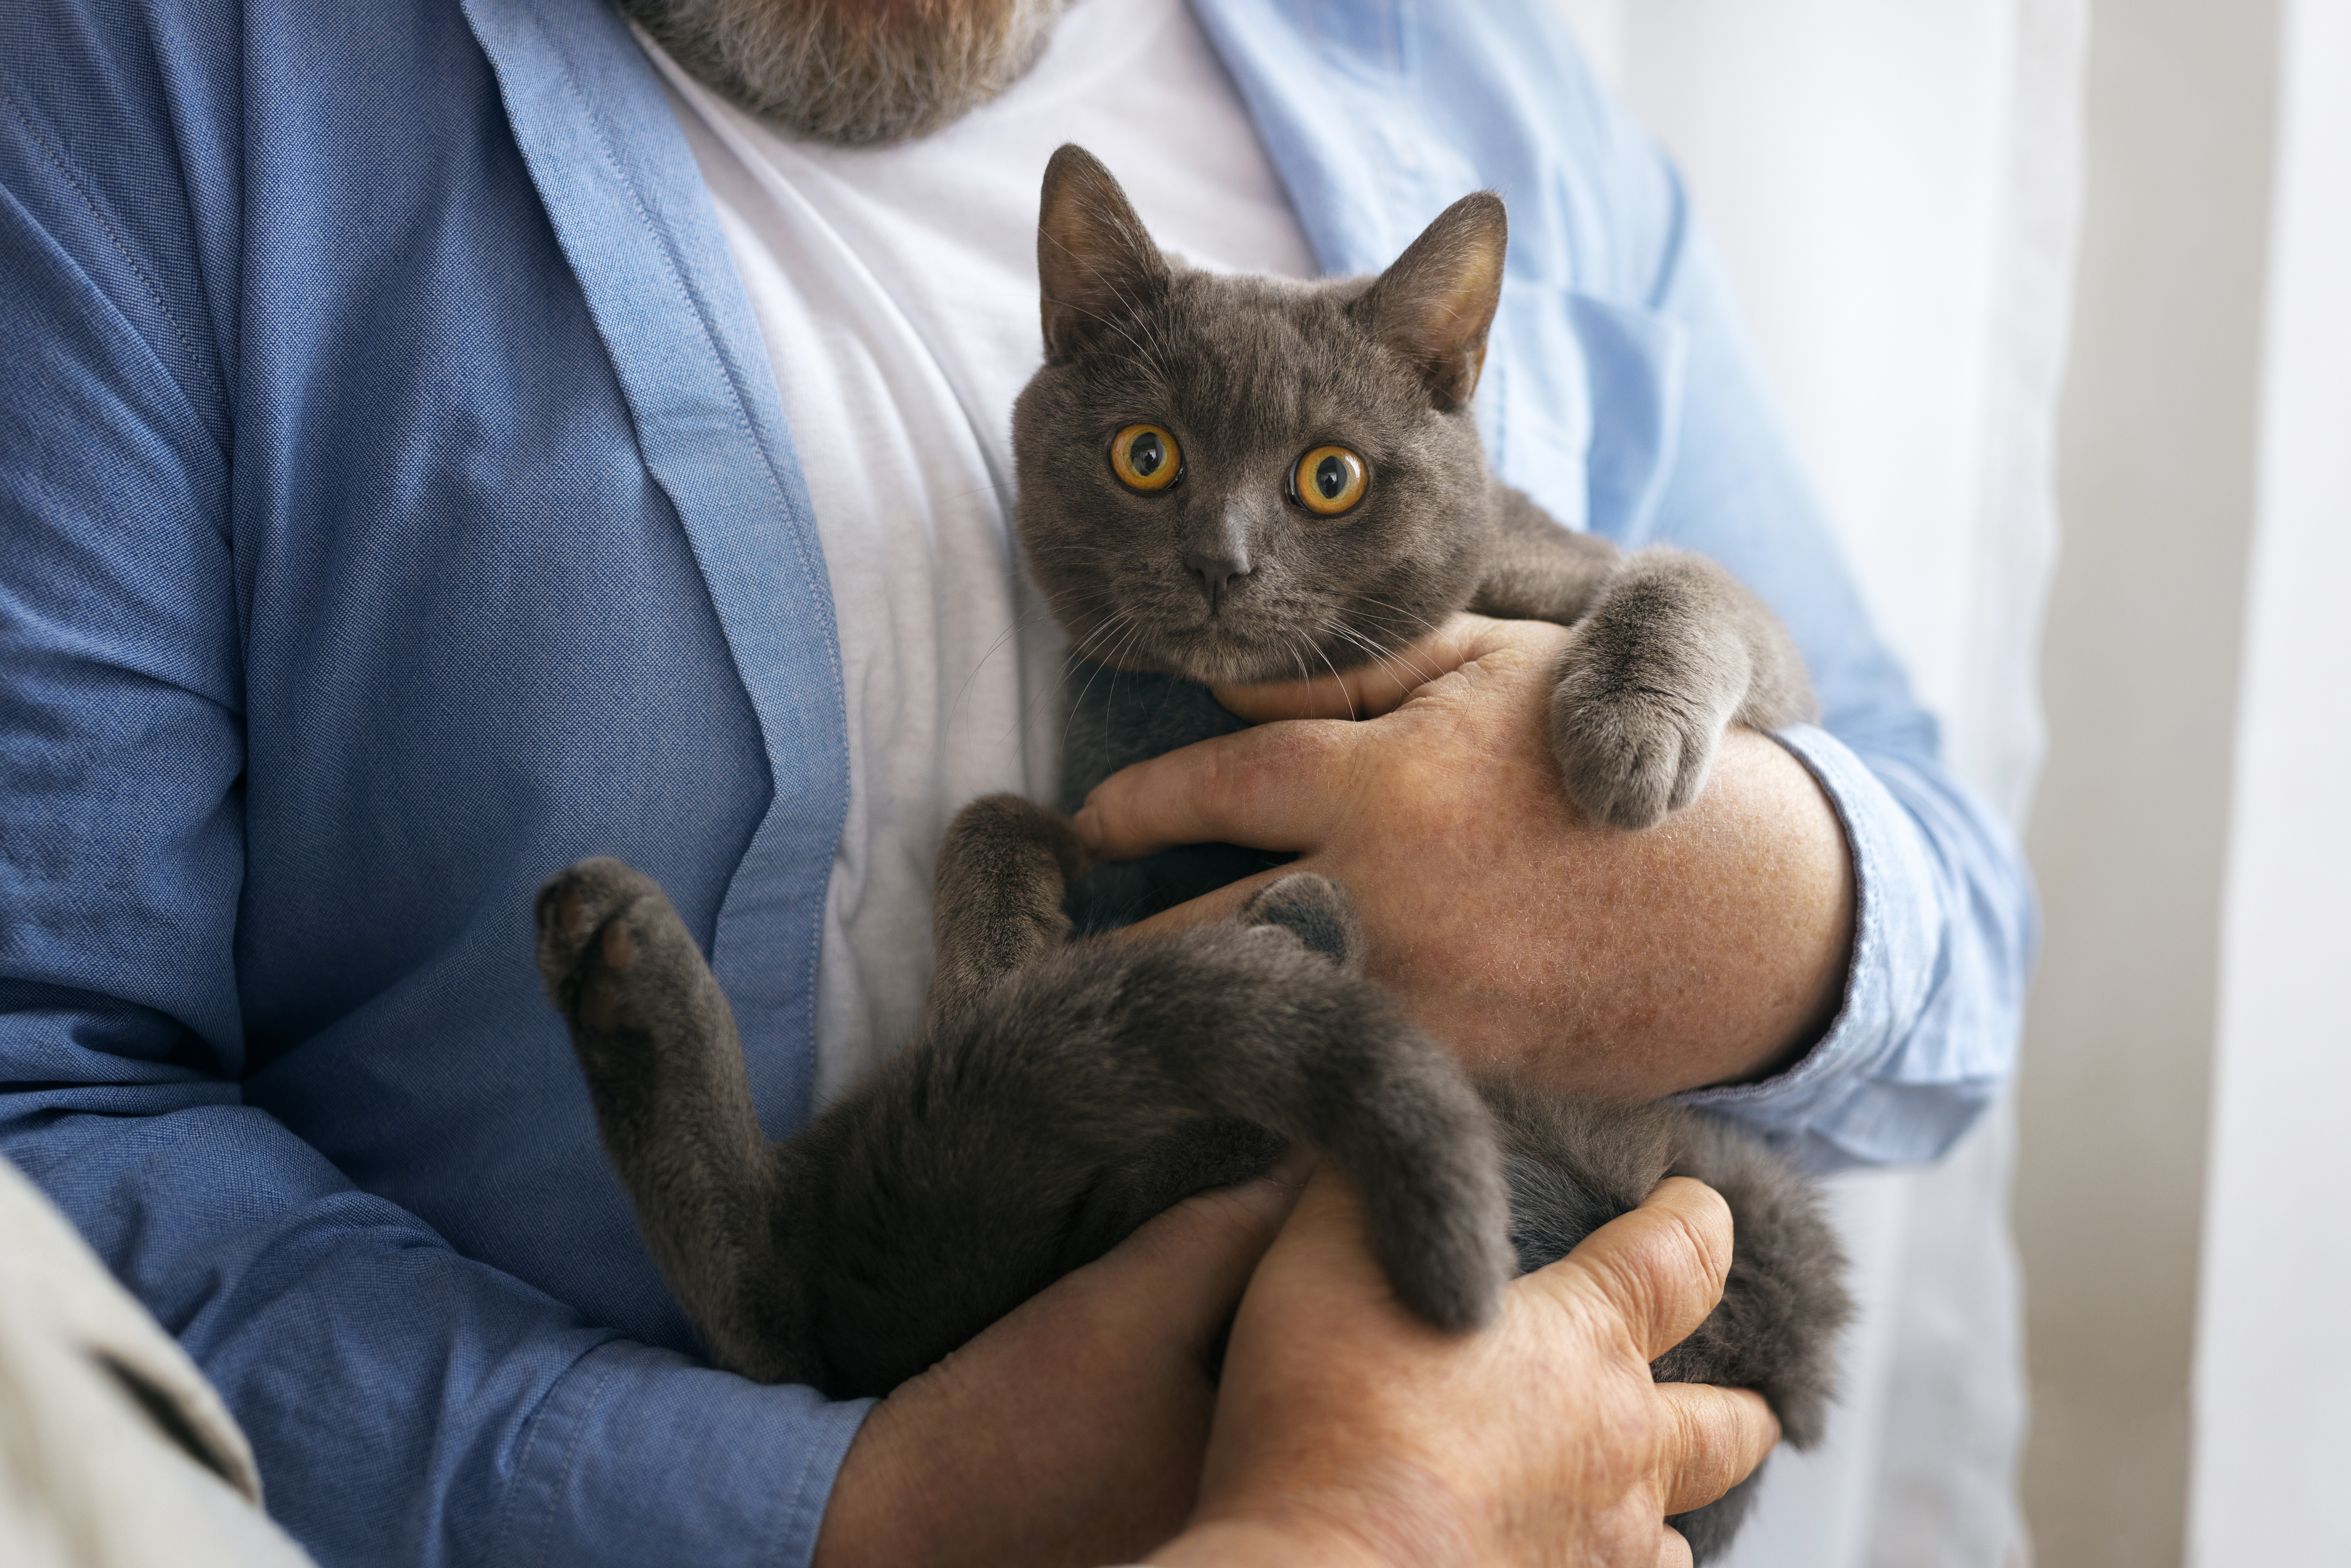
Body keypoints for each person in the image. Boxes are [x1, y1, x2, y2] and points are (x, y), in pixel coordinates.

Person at [0, 0, 2037, 1563]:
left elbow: (1958, 918)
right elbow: (41, 1115)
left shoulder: (1452, 56)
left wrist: (1741, 895)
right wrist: (843, 1510)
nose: (1239, 548)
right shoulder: (151, 87)